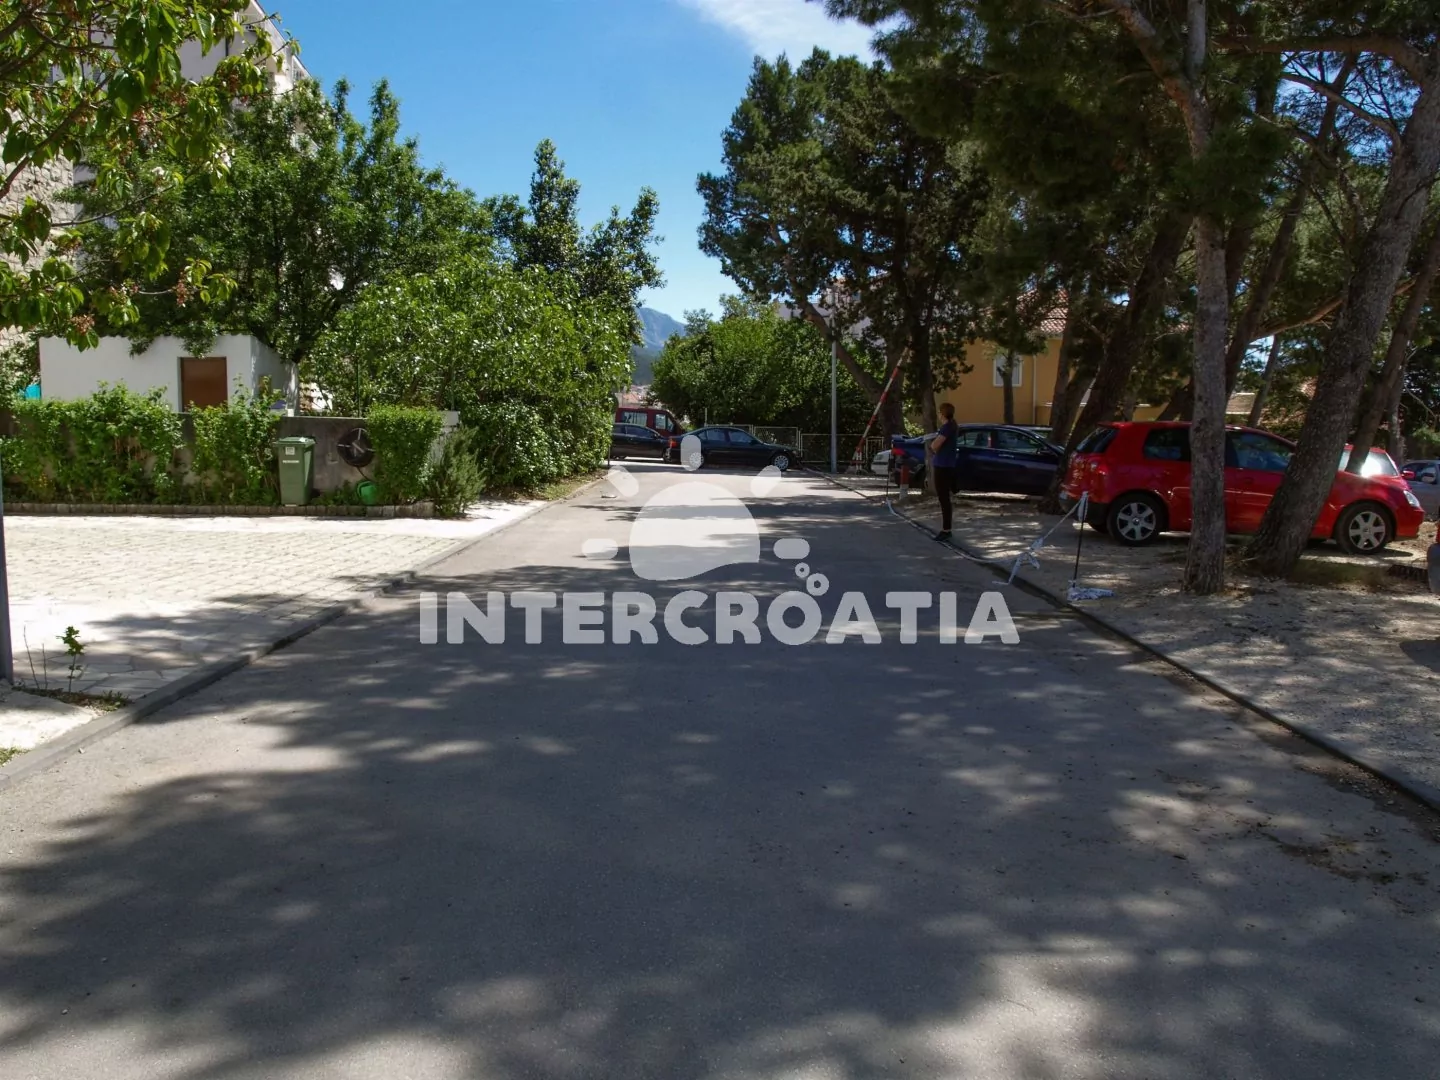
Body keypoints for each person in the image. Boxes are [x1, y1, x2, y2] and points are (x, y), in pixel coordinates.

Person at [930, 402, 959, 541]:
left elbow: (935, 445)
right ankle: (946, 528)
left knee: (943, 498)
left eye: (939, 412)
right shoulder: (952, 426)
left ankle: (946, 530)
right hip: (947, 464)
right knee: (944, 497)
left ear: (942, 414)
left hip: (943, 465)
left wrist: (933, 445)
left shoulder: (947, 428)